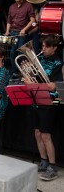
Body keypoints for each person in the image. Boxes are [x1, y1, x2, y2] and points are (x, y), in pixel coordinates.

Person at [23, 35, 63, 181]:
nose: (43, 49)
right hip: (36, 99)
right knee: (37, 134)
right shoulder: (40, 60)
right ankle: (44, 162)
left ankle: (52, 166)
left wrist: (32, 85)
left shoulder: (58, 63)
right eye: (43, 46)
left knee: (46, 135)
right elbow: (33, 76)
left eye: (46, 47)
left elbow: (53, 85)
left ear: (54, 48)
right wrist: (27, 78)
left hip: (50, 101)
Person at [4, 0, 36, 79]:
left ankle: (23, 72)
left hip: (22, 33)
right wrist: (7, 31)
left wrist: (24, 29)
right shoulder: (11, 7)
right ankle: (14, 72)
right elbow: (9, 20)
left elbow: (32, 20)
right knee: (12, 53)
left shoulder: (28, 5)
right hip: (13, 32)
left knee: (20, 53)